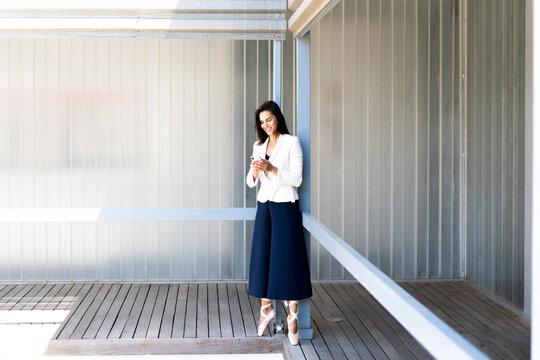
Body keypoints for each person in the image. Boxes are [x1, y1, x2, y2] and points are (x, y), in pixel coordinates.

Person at [246, 100, 312, 346]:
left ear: (277, 118)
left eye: (269, 120)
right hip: (265, 205)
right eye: (262, 122)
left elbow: (296, 178)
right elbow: (251, 182)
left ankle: (292, 317)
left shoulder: (291, 142)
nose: (265, 125)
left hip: (285, 206)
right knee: (262, 257)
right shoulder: (259, 144)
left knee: (287, 261)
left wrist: (272, 167)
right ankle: (266, 307)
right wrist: (255, 169)